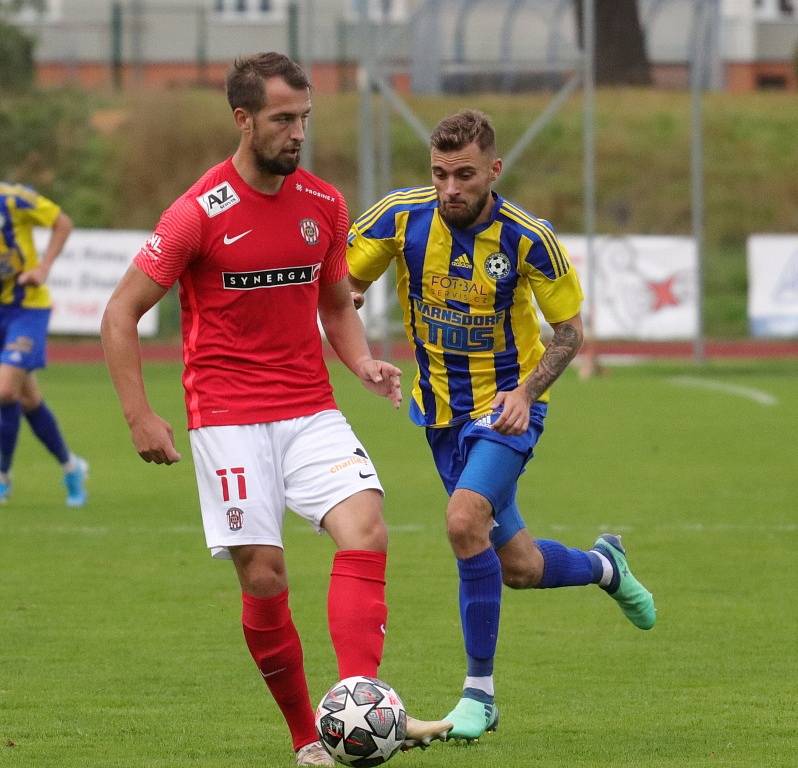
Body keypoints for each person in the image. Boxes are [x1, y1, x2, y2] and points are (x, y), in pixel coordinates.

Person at [100, 52, 449, 767]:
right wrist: (140, 415)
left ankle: (359, 705)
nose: (297, 133)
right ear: (244, 119)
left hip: (309, 409)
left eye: (304, 119)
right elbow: (120, 313)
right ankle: (306, 739)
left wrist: (360, 362)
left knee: (367, 529)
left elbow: (333, 304)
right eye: (283, 120)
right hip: (227, 417)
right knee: (264, 575)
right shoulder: (198, 212)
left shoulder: (324, 203)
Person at [346, 109, 656, 742]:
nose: (451, 188)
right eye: (440, 174)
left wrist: (527, 389)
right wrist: (358, 352)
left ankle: (478, 697)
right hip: (438, 415)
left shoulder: (527, 238)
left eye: (464, 174)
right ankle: (606, 567)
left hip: (507, 410)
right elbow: (339, 292)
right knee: (516, 564)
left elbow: (569, 334)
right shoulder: (398, 218)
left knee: (463, 523)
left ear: (493, 169)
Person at [0, 181, 89, 507]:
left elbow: (62, 222)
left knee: (6, 391)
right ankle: (71, 467)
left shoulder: (11, 200)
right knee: (28, 399)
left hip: (27, 309)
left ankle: (2, 477)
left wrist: (43, 266)